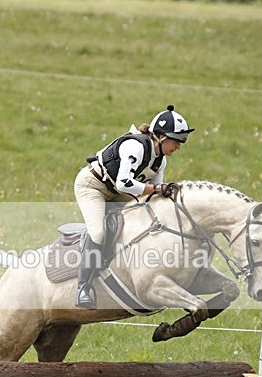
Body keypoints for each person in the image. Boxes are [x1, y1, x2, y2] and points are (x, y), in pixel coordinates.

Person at [73, 104, 195, 309]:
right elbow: (125, 183)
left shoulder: (160, 161)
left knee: (145, 222)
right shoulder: (136, 146)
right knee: (99, 233)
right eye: (177, 141)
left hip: (119, 192)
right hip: (93, 186)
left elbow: (152, 192)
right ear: (163, 137)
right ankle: (83, 286)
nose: (179, 147)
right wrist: (156, 190)